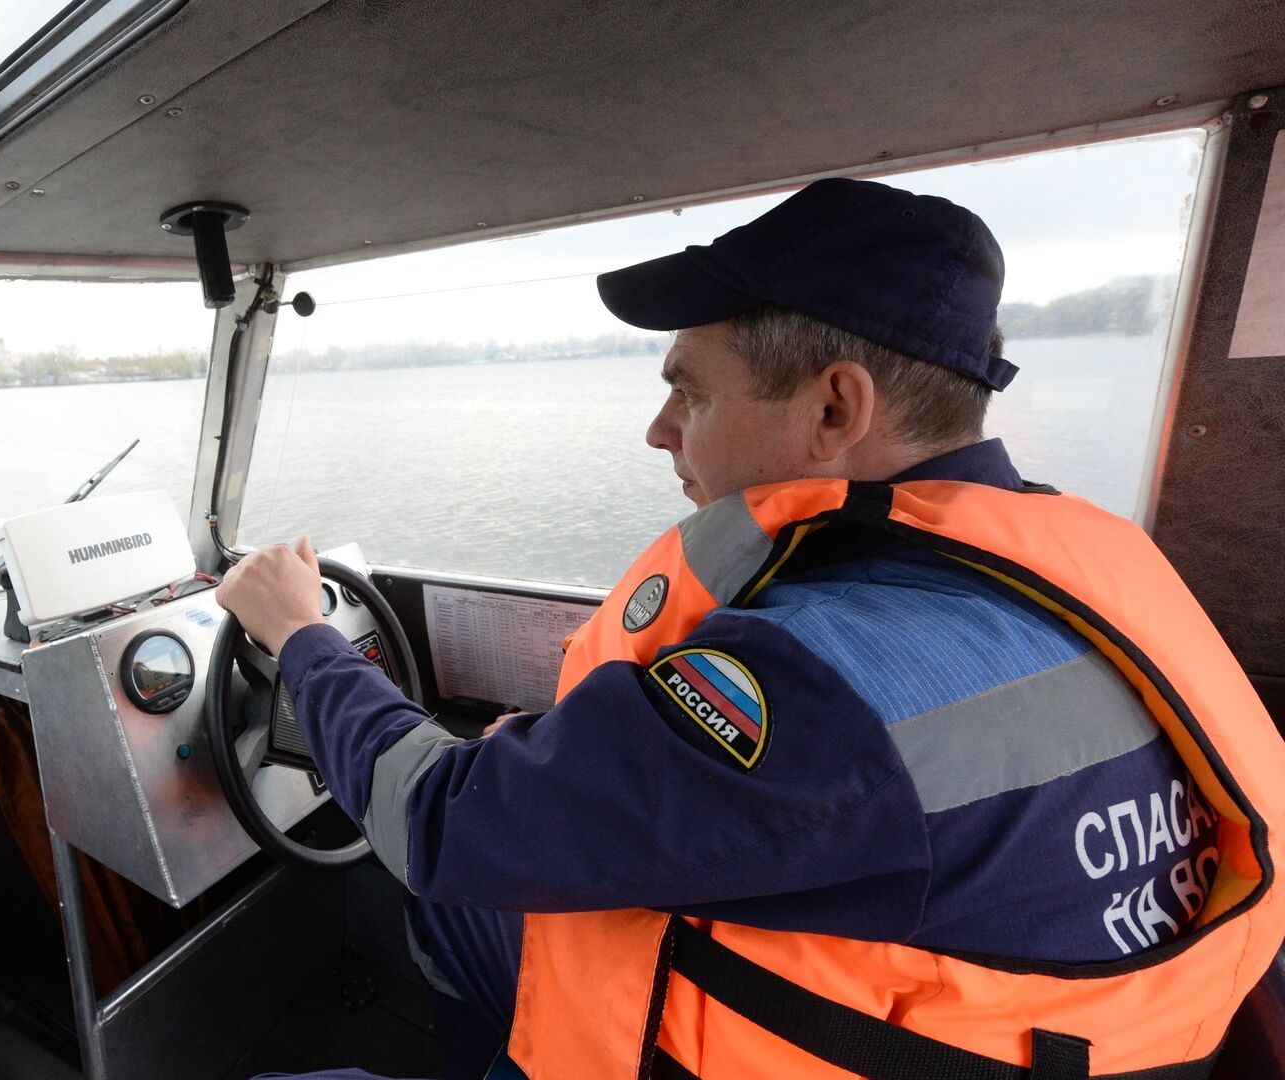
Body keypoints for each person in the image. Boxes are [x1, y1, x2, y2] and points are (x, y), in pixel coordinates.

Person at [217, 179, 1285, 1080]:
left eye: (690, 391)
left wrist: (303, 635)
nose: (659, 430)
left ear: (835, 410)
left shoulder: (828, 676)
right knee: (462, 917)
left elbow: (444, 825)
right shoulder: (1093, 571)